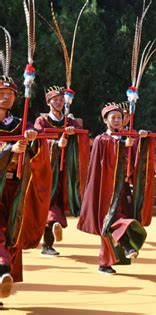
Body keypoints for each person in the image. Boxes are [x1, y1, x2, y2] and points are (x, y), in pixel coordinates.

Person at [77, 103, 154, 275]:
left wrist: (141, 139)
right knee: (111, 221)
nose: (117, 120)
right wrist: (122, 145)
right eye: (113, 117)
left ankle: (105, 262)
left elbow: (137, 158)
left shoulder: (128, 137)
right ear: (105, 120)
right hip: (106, 189)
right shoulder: (101, 139)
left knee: (113, 223)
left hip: (123, 188)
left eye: (119, 117)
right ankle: (126, 245)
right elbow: (105, 163)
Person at [0, 74, 52, 299]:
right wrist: (8, 150)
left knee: (13, 231)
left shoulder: (21, 124)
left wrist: (32, 139)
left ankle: (3, 278)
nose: (5, 97)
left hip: (15, 186)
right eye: (1, 94)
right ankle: (2, 269)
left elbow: (39, 146)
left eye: (10, 94)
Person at [34, 86, 89, 257]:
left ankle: (52, 230)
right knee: (47, 201)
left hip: (66, 170)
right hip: (47, 168)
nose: (59, 102)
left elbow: (82, 137)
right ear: (48, 102)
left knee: (57, 200)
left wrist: (73, 133)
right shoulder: (41, 121)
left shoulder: (68, 121)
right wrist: (55, 145)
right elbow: (37, 141)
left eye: (61, 99)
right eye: (55, 99)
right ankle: (52, 227)